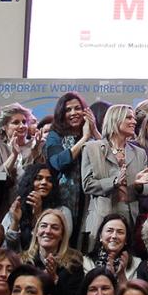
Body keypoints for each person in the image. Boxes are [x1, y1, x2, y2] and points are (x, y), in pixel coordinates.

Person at [80, 104, 148, 250]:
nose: (134, 122)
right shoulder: (92, 149)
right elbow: (87, 184)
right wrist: (114, 182)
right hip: (102, 214)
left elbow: (147, 187)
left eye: (134, 118)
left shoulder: (140, 153)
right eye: (129, 117)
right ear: (115, 119)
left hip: (130, 216)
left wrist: (139, 185)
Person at [43, 92, 98, 240]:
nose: (73, 113)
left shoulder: (93, 136)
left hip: (90, 199)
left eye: (77, 108)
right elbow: (59, 162)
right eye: (68, 110)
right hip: (63, 200)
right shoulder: (55, 135)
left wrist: (94, 132)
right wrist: (84, 138)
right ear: (61, 113)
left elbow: (107, 157)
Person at [20, 208, 84, 295]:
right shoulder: (23, 262)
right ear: (36, 232)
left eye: (54, 227)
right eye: (43, 226)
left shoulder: (74, 265)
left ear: (62, 235)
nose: (48, 231)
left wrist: (55, 280)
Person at [2, 163, 65, 250]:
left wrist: (38, 215)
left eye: (49, 180)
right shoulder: (17, 209)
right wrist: (15, 222)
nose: (44, 183)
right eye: (38, 178)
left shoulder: (61, 212)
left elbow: (57, 245)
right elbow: (7, 248)